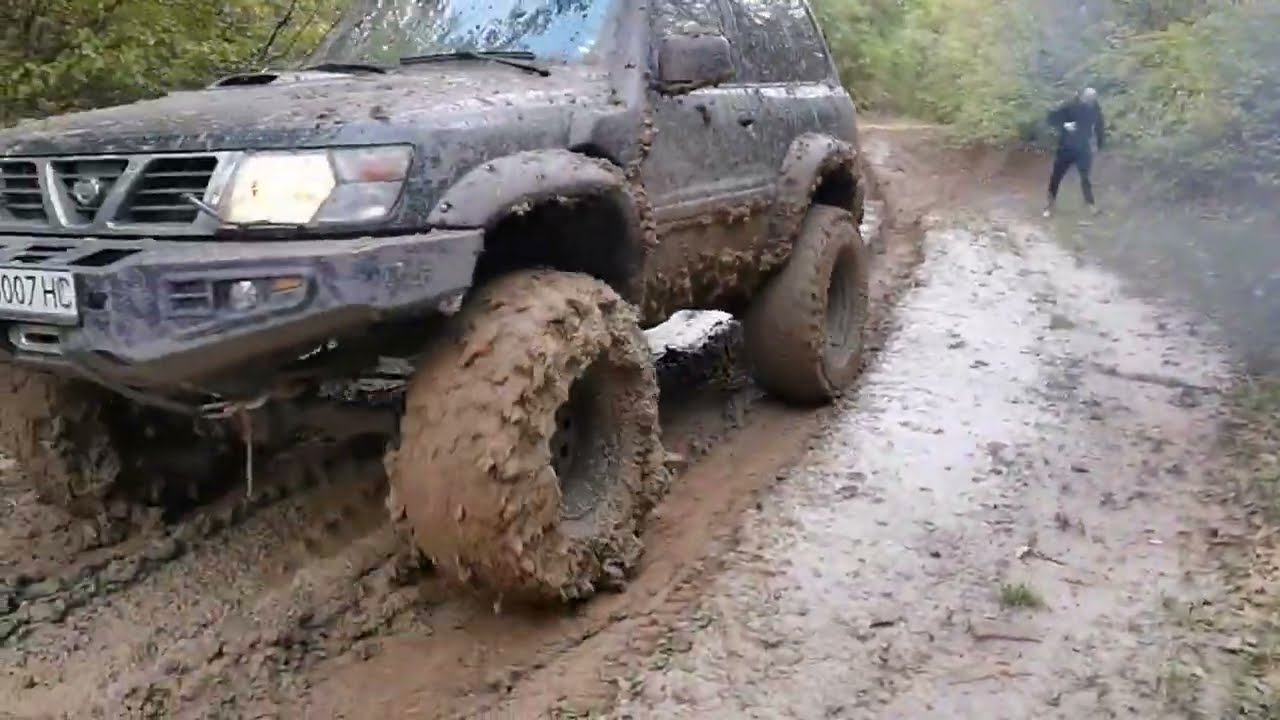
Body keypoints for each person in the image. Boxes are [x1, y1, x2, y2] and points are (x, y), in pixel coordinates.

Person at [1043, 86, 1105, 217]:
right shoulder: (1070, 105)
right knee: (1056, 176)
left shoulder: (1095, 108)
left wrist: (1100, 144)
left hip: (1083, 147)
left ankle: (1090, 205)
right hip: (1066, 147)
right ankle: (1050, 204)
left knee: (1085, 177)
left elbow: (1099, 126)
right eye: (1088, 99)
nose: (1090, 102)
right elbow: (1051, 118)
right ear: (1082, 96)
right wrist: (1065, 125)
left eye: (1092, 100)